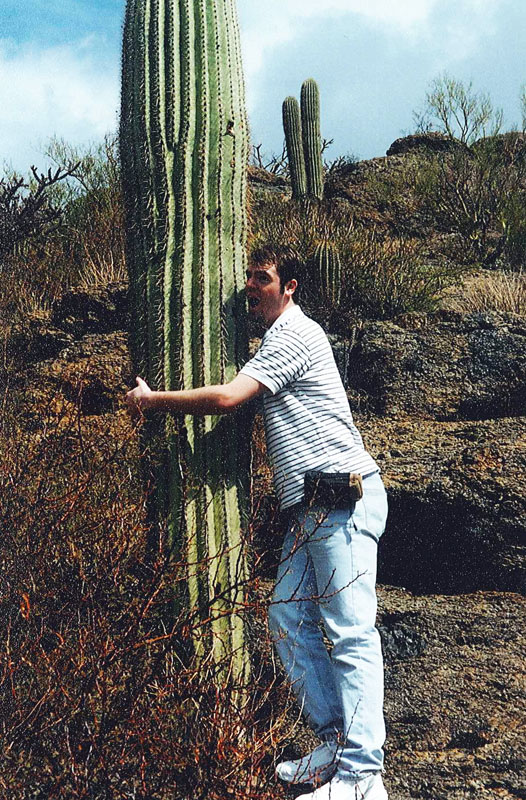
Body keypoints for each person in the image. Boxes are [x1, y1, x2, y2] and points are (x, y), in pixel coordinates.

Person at [126, 246, 388, 800]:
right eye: (246, 277)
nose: (250, 287)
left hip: (340, 497)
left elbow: (226, 398)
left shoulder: (294, 333)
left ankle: (364, 776)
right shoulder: (274, 339)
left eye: (261, 278)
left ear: (289, 286)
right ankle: (334, 746)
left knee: (349, 631)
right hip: (309, 507)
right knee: (287, 617)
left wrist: (154, 401)